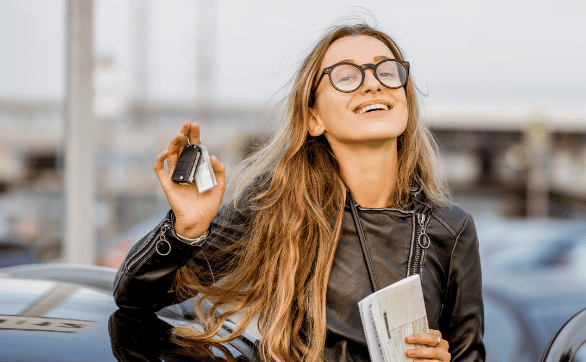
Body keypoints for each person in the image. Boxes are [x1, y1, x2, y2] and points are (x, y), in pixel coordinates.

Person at [113, 22, 484, 362]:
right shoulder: (273, 205)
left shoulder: (451, 229)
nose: (373, 83)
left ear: (404, 99)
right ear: (313, 118)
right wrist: (186, 230)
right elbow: (132, 300)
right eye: (346, 76)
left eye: (387, 71)